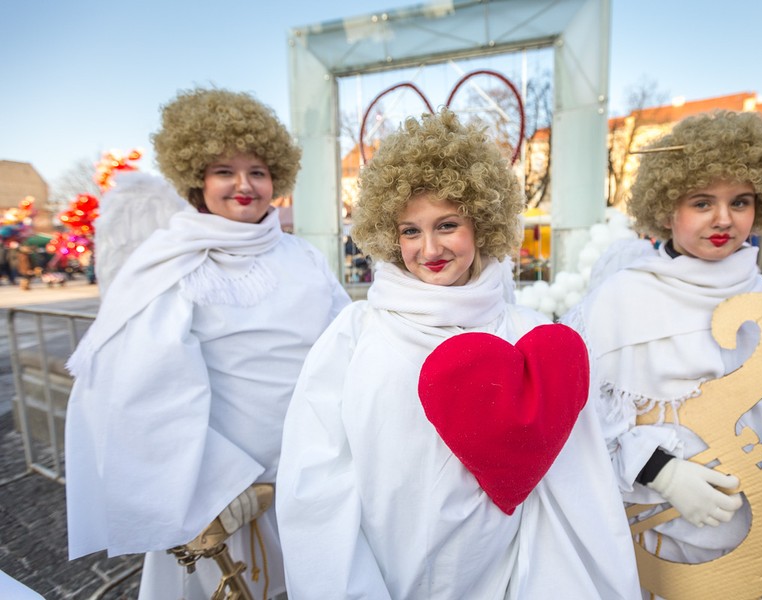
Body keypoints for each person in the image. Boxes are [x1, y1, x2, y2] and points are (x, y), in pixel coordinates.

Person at [276, 109, 641, 599]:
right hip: (384, 573)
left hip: (511, 577)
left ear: (482, 223)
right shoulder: (353, 334)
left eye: (447, 225)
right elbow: (316, 479)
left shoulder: (528, 334)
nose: (429, 249)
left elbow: (578, 482)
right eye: (410, 230)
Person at [564, 110, 762, 597]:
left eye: (740, 201)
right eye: (702, 202)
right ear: (667, 209)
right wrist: (657, 469)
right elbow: (577, 420)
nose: (723, 219)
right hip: (637, 545)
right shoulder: (613, 303)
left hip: (743, 547)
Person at [64, 87, 351, 599]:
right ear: (197, 178)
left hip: (312, 473)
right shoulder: (170, 262)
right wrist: (215, 487)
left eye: (258, 171)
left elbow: (344, 345)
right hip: (225, 494)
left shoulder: (304, 256)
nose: (244, 185)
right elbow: (147, 391)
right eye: (224, 171)